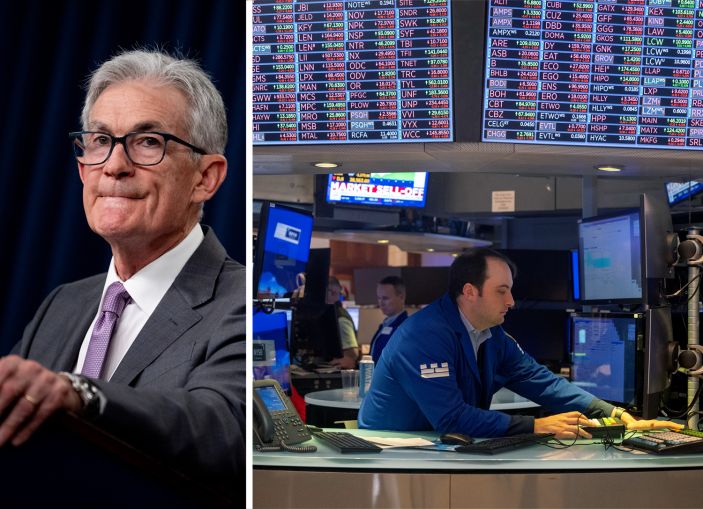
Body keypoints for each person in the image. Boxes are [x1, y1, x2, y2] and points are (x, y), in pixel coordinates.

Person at [0, 49, 245, 487]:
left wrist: (81, 395)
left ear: (205, 178)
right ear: (82, 168)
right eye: (99, 141)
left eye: (148, 142)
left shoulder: (243, 303)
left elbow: (223, 427)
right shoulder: (64, 302)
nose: (114, 166)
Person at [358, 248, 681, 438]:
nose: (511, 301)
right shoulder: (423, 336)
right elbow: (451, 418)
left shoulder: (491, 332)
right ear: (470, 291)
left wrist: (614, 414)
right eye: (502, 291)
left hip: (441, 447)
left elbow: (539, 380)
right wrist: (538, 425)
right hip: (391, 452)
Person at [369, 275, 408, 364]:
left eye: (385, 298)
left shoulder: (405, 328)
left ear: (401, 297)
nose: (381, 303)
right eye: (379, 298)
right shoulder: (386, 324)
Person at [326, 276, 359, 369]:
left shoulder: (341, 319)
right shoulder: (330, 316)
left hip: (340, 375)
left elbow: (353, 354)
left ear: (332, 293)